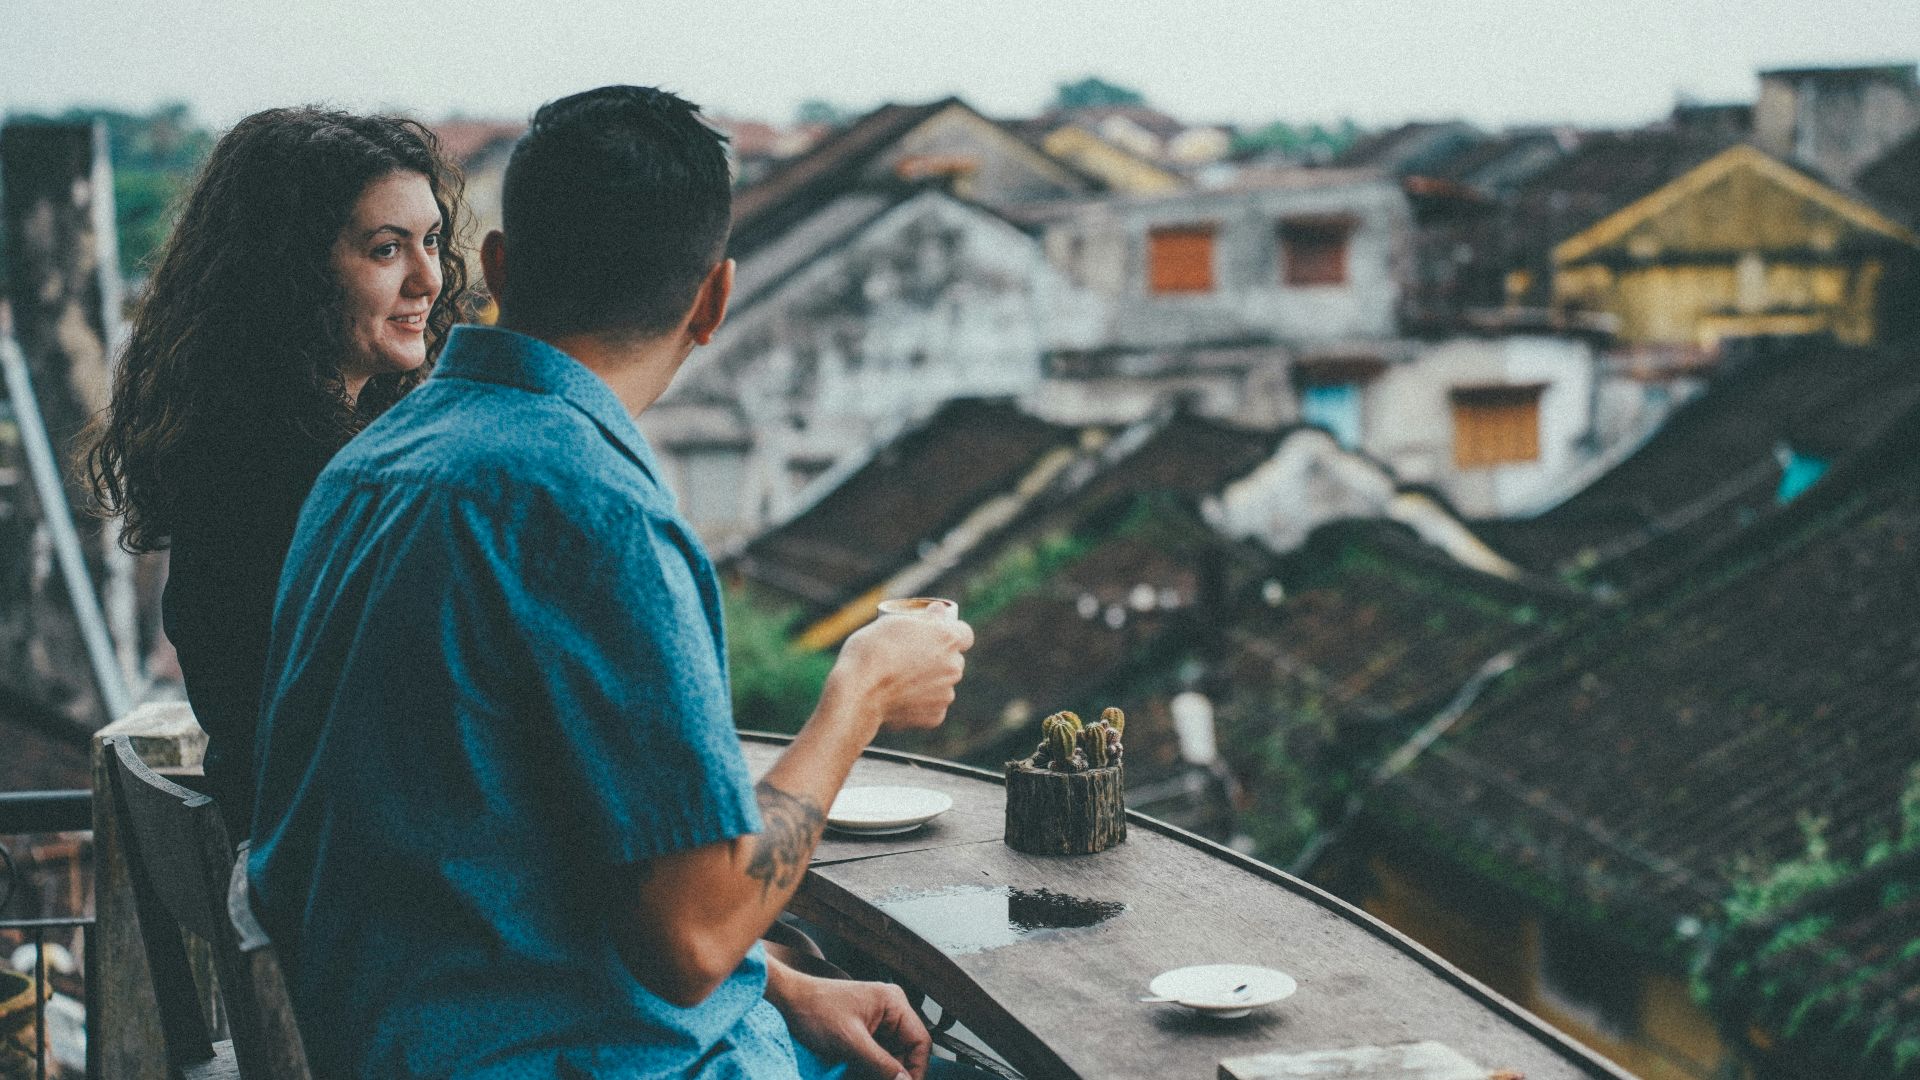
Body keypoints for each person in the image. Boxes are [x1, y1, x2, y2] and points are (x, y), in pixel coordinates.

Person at [248, 86, 976, 1080]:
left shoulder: (371, 467)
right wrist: (862, 694)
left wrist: (780, 985)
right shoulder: (593, 510)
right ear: (714, 301)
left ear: (497, 267)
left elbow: (499, 847)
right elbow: (688, 942)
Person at [82, 108, 469, 832]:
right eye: (387, 250)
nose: (428, 280)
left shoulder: (249, 447)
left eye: (433, 242)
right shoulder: (306, 480)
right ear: (293, 275)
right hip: (347, 879)